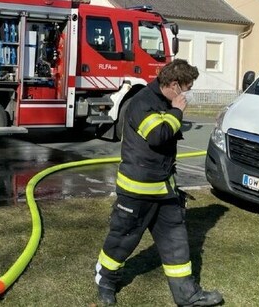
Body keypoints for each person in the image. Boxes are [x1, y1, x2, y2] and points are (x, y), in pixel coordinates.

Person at [94, 59, 222, 307]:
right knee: (122, 240)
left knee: (176, 242)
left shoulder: (164, 101)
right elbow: (157, 136)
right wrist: (177, 111)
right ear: (174, 85)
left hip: (164, 190)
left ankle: (187, 295)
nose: (187, 94)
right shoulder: (143, 102)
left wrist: (173, 111)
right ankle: (106, 282)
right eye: (186, 88)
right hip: (137, 191)